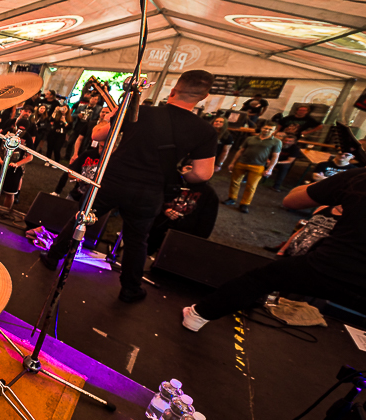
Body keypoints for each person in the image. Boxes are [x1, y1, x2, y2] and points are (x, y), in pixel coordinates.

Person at [40, 69, 218, 303]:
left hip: (113, 179)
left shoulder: (139, 111)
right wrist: (182, 174)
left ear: (174, 89)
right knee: (137, 239)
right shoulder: (205, 131)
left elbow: (98, 134)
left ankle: (52, 257)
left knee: (81, 219)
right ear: (204, 97)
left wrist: (113, 115)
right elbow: (202, 173)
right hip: (150, 190)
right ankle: (130, 289)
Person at [183, 169, 366, 332]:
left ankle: (198, 315)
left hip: (330, 265)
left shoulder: (358, 177)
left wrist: (330, 183)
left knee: (258, 280)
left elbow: (292, 200)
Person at [222, 122, 282, 213]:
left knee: (251, 186)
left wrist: (270, 169)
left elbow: (275, 156)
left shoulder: (276, 142)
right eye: (265, 128)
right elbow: (241, 151)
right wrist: (233, 162)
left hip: (258, 165)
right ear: (262, 128)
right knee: (235, 182)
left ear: (274, 131)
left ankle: (244, 204)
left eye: (270, 129)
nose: (267, 130)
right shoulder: (250, 138)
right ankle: (231, 198)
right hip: (242, 162)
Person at [146, 182, 219, 255]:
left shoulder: (209, 193)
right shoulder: (170, 180)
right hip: (155, 232)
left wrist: (196, 242)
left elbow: (206, 224)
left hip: (183, 238)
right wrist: (164, 209)